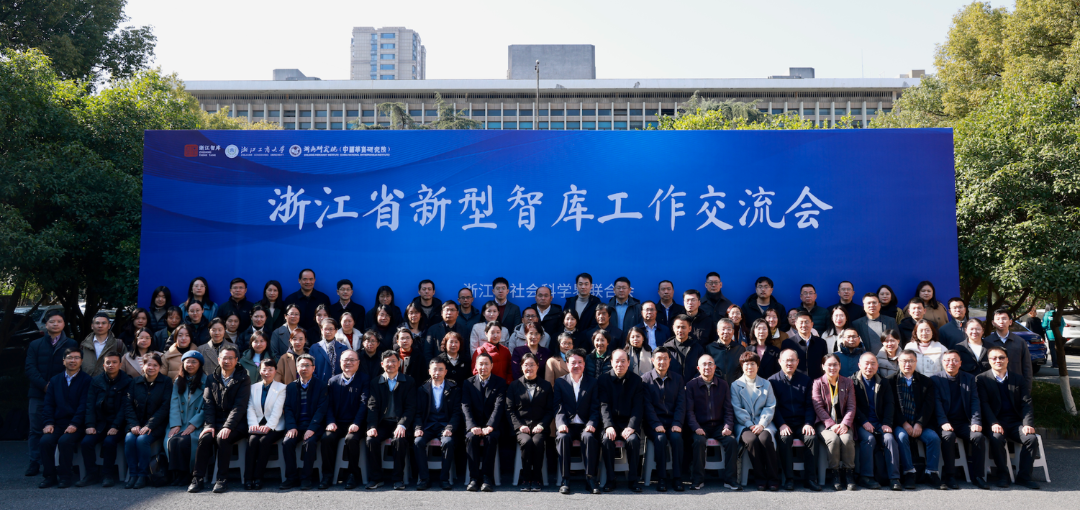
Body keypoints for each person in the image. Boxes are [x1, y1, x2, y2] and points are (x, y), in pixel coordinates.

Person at [188, 346, 250, 494]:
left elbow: (239, 407)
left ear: (236, 360)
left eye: (230, 358)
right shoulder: (211, 378)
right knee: (205, 438)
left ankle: (222, 479)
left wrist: (228, 426)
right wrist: (209, 425)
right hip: (215, 422)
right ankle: (197, 478)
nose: (227, 361)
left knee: (223, 438)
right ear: (218, 360)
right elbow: (208, 403)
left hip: (237, 424)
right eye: (224, 358)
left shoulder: (243, 378)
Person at [977, 346, 1040, 489]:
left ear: (1007, 360)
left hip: (1015, 422)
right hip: (995, 422)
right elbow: (984, 404)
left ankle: (1024, 477)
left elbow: (1026, 403)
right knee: (997, 438)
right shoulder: (981, 379)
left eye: (1001, 357)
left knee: (1031, 438)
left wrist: (1027, 424)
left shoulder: (1018, 379)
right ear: (989, 361)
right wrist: (993, 423)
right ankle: (1002, 475)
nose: (998, 360)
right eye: (994, 358)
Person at [24, 309, 77, 477]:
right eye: (52, 321)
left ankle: (57, 463)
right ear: (45, 324)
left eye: (59, 321)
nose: (55, 324)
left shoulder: (71, 344)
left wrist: (55, 387)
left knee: (60, 428)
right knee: (35, 429)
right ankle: (34, 462)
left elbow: (73, 367)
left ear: (64, 324)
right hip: (38, 393)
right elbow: (30, 368)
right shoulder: (35, 344)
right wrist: (44, 385)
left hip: (62, 393)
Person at [932, 350, 988, 490]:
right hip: (944, 422)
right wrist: (943, 422)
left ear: (960, 363)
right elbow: (936, 404)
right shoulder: (935, 379)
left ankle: (978, 476)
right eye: (947, 360)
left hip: (963, 422)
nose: (951, 363)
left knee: (978, 436)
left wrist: (975, 422)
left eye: (955, 360)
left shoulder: (969, 378)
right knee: (948, 436)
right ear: (942, 362)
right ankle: (950, 476)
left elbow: (975, 401)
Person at [38, 348, 92, 489]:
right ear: (63, 361)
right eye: (69, 357)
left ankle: (65, 476)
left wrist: (75, 424)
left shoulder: (86, 380)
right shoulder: (55, 380)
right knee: (45, 441)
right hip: (58, 423)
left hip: (78, 424)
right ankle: (49, 476)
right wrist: (48, 423)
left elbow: (84, 405)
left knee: (64, 441)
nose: (73, 361)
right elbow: (48, 404)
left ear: (81, 361)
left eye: (76, 358)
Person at [768, 349, 820, 491]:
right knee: (784, 439)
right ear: (780, 362)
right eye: (786, 360)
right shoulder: (772, 381)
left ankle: (810, 479)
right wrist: (781, 424)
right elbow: (773, 407)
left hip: (802, 423)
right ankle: (789, 479)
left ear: (798, 362)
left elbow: (810, 405)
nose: (789, 363)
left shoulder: (806, 380)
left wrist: (808, 423)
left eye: (792, 360)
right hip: (784, 423)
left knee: (811, 438)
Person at [77, 351, 131, 487]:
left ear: (120, 364)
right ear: (103, 365)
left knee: (109, 442)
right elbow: (90, 405)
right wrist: (90, 425)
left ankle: (108, 475)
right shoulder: (96, 381)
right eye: (108, 362)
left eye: (114, 362)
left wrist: (116, 426)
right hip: (99, 423)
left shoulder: (128, 381)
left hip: (119, 424)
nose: (111, 365)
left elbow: (125, 407)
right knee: (86, 442)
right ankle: (91, 474)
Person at [685, 354, 739, 491]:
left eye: (710, 364)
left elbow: (728, 409)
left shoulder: (723, 384)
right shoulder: (691, 385)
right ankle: (697, 480)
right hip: (700, 426)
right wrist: (696, 427)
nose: (707, 367)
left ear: (715, 367)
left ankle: (730, 480)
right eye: (704, 364)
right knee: (698, 442)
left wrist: (728, 426)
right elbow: (689, 411)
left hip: (719, 426)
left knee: (731, 441)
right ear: (698, 368)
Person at [890, 350, 942, 490]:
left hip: (921, 424)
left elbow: (928, 405)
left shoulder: (926, 381)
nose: (907, 364)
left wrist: (919, 423)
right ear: (898, 362)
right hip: (900, 423)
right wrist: (904, 423)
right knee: (902, 437)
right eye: (904, 361)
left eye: (911, 361)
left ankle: (931, 472)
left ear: (916, 362)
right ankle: (909, 472)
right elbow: (891, 406)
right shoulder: (890, 381)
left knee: (934, 438)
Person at [365, 351, 417, 490]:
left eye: (394, 361)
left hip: (399, 423)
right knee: (371, 440)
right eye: (387, 361)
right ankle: (376, 478)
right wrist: (372, 426)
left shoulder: (409, 381)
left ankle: (398, 479)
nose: (391, 364)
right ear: (382, 364)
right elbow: (372, 406)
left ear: (399, 363)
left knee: (399, 440)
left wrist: (402, 425)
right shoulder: (376, 382)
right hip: (382, 423)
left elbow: (411, 407)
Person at [552, 348, 600, 494]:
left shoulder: (593, 382)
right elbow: (558, 406)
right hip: (567, 424)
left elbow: (595, 407)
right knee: (562, 438)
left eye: (580, 362)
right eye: (573, 363)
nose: (576, 365)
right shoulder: (560, 382)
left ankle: (590, 479)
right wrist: (561, 424)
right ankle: (565, 479)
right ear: (567, 364)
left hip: (585, 425)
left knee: (589, 437)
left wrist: (591, 423)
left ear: (584, 364)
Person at [850, 352, 901, 490]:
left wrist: (887, 423)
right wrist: (863, 421)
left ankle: (894, 478)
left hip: (880, 422)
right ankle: (866, 477)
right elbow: (852, 405)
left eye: (873, 364)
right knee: (869, 439)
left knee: (889, 439)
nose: (869, 367)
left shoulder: (883, 382)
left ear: (877, 366)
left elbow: (890, 404)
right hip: (860, 423)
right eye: (866, 363)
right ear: (859, 365)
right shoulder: (852, 382)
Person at [731, 351, 781, 491]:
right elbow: (737, 408)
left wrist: (762, 424)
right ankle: (760, 478)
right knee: (751, 440)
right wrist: (749, 424)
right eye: (746, 364)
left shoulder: (766, 384)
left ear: (758, 366)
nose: (750, 367)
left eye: (753, 364)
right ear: (742, 366)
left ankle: (773, 478)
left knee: (765, 439)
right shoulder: (735, 385)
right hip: (743, 424)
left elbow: (770, 406)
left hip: (764, 423)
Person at [595, 350, 644, 492]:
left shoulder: (636, 380)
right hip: (610, 423)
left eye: (623, 361)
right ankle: (610, 479)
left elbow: (638, 407)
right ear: (611, 362)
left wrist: (631, 426)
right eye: (616, 361)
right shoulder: (603, 379)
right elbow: (603, 405)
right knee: (606, 440)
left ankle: (633, 480)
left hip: (628, 424)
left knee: (633, 440)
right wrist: (608, 426)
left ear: (628, 363)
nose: (620, 364)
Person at [319, 350, 369, 490]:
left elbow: (364, 404)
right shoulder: (333, 381)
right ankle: (327, 475)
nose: (349, 363)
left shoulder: (364, 379)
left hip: (356, 423)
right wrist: (330, 421)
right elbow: (328, 405)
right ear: (340, 362)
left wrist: (357, 423)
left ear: (358, 363)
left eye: (352, 360)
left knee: (351, 439)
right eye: (345, 360)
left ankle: (353, 474)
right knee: (326, 438)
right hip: (337, 423)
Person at [279, 354, 328, 490]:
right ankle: (292, 478)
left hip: (313, 426)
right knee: (287, 442)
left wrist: (312, 428)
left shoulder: (321, 386)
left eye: (307, 365)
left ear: (313, 368)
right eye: (301, 365)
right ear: (297, 368)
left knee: (310, 443)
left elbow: (321, 410)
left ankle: (306, 478)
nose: (304, 368)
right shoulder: (291, 387)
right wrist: (291, 427)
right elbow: (288, 408)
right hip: (296, 425)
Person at [123, 353, 172, 489]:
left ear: (160, 367)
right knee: (129, 439)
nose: (151, 368)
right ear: (143, 366)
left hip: (156, 425)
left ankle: (143, 475)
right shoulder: (134, 382)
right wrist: (134, 424)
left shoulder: (166, 382)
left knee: (142, 440)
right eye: (148, 364)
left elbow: (165, 407)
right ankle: (133, 475)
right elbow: (128, 405)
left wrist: (150, 425)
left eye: (155, 365)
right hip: (136, 424)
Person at [507, 353, 554, 492]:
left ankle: (537, 478)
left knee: (537, 442)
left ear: (538, 366)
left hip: (540, 426)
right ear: (521, 367)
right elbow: (509, 410)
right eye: (526, 365)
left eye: (532, 364)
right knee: (527, 442)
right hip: (521, 426)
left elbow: (550, 410)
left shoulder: (546, 385)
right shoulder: (514, 385)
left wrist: (542, 425)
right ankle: (526, 478)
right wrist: (519, 426)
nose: (529, 368)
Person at [641, 346, 686, 492]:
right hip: (653, 423)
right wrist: (656, 423)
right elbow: (647, 406)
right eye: (659, 359)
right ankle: (661, 478)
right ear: (652, 360)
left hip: (673, 422)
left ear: (670, 361)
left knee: (677, 438)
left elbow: (681, 404)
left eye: (665, 359)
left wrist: (677, 423)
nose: (662, 362)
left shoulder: (678, 379)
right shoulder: (645, 379)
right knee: (660, 439)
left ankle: (677, 478)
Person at [414, 357, 462, 491]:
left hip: (445, 425)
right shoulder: (422, 389)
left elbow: (457, 413)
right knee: (418, 442)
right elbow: (417, 413)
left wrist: (450, 427)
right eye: (434, 369)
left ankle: (444, 479)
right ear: (429, 371)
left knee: (448, 442)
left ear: (446, 371)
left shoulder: (454, 389)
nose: (437, 373)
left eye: (441, 369)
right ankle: (424, 479)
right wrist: (418, 428)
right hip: (428, 426)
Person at [462, 352, 507, 492]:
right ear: (475, 366)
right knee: (471, 438)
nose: (483, 367)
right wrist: (472, 426)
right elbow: (465, 406)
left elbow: (499, 406)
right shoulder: (468, 383)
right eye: (480, 364)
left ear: (492, 365)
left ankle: (487, 478)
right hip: (474, 425)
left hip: (492, 426)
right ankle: (474, 478)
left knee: (490, 438)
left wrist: (490, 426)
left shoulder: (500, 383)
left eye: (486, 364)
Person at [812, 353, 857, 491]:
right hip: (824, 423)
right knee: (833, 440)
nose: (832, 368)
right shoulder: (817, 383)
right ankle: (835, 473)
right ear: (823, 366)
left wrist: (845, 423)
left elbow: (851, 406)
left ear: (840, 366)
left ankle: (848, 473)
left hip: (843, 422)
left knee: (846, 439)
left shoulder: (848, 382)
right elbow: (818, 407)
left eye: (835, 364)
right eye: (829, 365)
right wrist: (831, 424)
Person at [245, 358, 287, 491]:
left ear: (275, 371)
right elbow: (250, 407)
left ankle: (258, 477)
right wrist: (253, 424)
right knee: (252, 441)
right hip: (257, 424)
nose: (267, 372)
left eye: (270, 369)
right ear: (260, 370)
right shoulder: (253, 387)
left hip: (275, 426)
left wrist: (269, 426)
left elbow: (277, 410)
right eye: (264, 369)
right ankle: (248, 478)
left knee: (264, 441)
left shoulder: (282, 388)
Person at [166, 351, 207, 483]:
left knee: (184, 441)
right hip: (180, 422)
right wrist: (175, 424)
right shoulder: (178, 381)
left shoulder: (207, 381)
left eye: (194, 362)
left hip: (197, 423)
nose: (190, 364)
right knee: (173, 440)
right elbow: (174, 403)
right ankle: (176, 475)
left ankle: (187, 474)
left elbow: (207, 406)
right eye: (187, 362)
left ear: (200, 364)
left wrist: (194, 424)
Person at [987, 308, 1034, 392]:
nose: (1001, 321)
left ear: (1010, 322)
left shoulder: (1020, 342)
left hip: (1016, 387)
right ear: (993, 323)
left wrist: (1027, 390)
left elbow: (1027, 367)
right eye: (998, 319)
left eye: (1004, 318)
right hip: (993, 387)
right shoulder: (987, 342)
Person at [283, 269, 332, 333]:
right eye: (305, 279)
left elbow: (328, 320)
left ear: (314, 280)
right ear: (299, 280)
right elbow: (286, 321)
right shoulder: (290, 299)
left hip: (318, 335)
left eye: (311, 279)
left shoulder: (323, 298)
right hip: (296, 335)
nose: (308, 282)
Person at [80, 312, 128, 376]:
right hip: (87, 381)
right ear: (92, 326)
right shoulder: (84, 345)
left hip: (110, 381)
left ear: (109, 326)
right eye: (97, 323)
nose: (100, 326)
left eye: (104, 323)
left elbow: (125, 366)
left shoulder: (118, 344)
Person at [787, 311, 829, 379]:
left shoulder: (821, 343)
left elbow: (825, 364)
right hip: (796, 381)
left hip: (817, 381)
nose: (804, 325)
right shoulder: (788, 343)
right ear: (796, 324)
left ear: (812, 324)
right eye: (801, 322)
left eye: (806, 322)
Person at [664, 314, 705, 383]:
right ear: (673, 328)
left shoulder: (697, 348)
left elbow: (701, 369)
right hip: (672, 386)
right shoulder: (666, 348)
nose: (680, 330)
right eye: (678, 327)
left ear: (690, 329)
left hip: (693, 386)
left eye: (683, 327)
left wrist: (691, 383)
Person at [707, 318, 748, 384]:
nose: (726, 332)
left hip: (736, 386)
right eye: (723, 329)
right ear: (718, 331)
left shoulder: (740, 349)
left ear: (733, 331)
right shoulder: (710, 348)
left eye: (729, 329)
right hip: (716, 386)